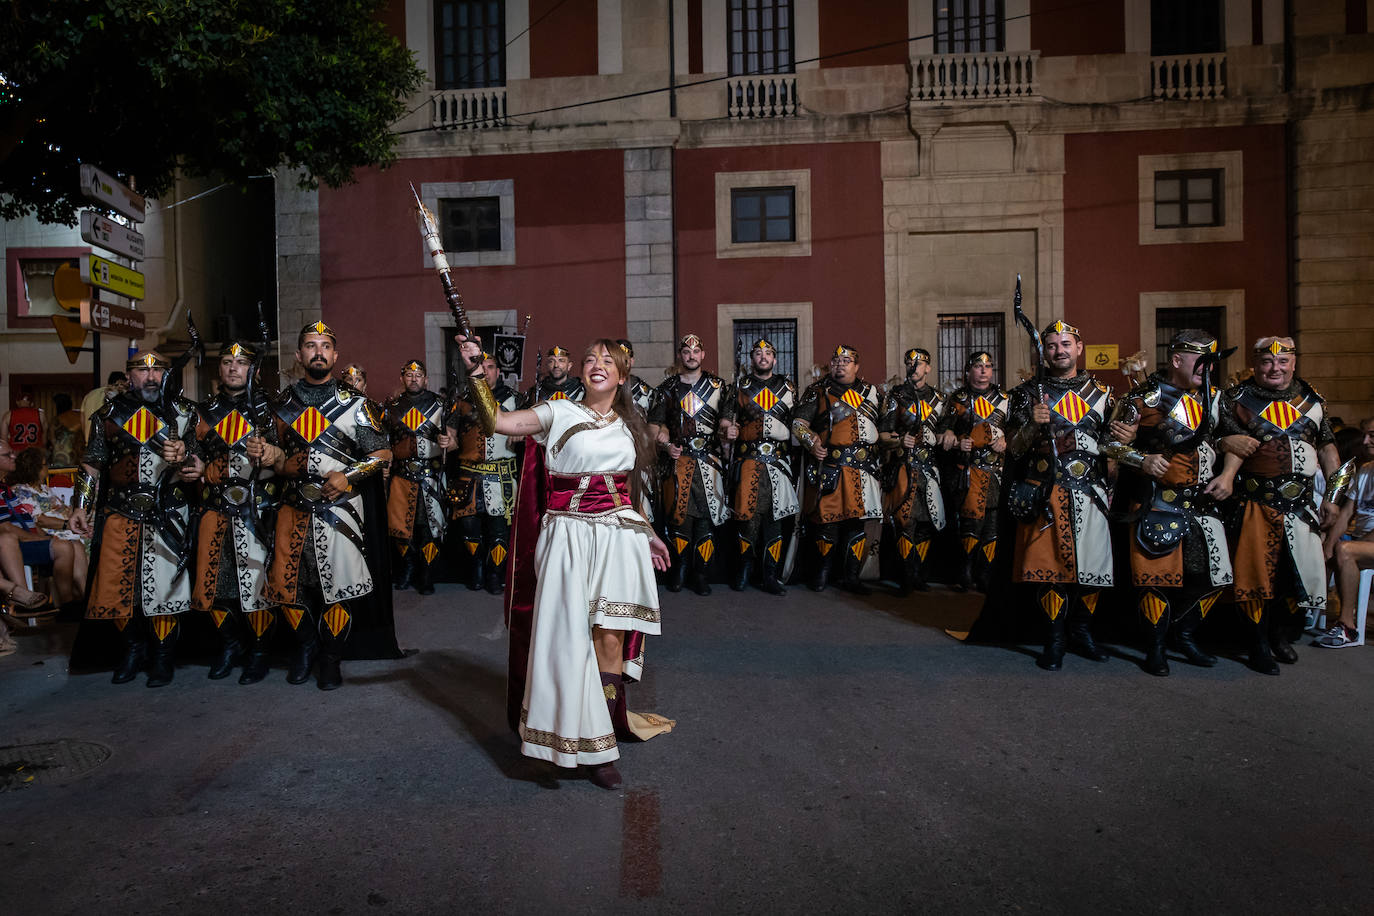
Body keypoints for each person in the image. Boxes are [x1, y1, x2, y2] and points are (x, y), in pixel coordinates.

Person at [457, 333, 671, 790]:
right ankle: (574, 741)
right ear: (582, 370)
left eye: (607, 361)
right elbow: (497, 421)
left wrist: (649, 534)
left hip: (619, 537)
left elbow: (627, 493)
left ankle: (605, 736)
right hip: (568, 535)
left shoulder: (631, 425)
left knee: (610, 638)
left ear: (622, 374)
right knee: (569, 639)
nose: (597, 364)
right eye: (590, 358)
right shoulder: (558, 412)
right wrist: (476, 372)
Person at [259, 321, 396, 690]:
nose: (317, 352)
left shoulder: (357, 405)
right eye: (310, 345)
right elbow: (274, 460)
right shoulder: (280, 406)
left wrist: (348, 476)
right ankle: (306, 647)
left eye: (325, 346)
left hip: (341, 510)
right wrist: (273, 458)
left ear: (335, 356)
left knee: (337, 588)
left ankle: (331, 657)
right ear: (299, 354)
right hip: (292, 507)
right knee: (287, 586)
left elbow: (382, 456)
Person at [1103, 330, 1236, 676]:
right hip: (1157, 502)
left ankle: (1186, 634)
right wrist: (1141, 460)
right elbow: (1109, 445)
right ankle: (1156, 646)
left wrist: (1229, 475)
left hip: (1203, 504)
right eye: (1201, 361)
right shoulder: (1143, 397)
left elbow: (1233, 441)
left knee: (1215, 578)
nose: (1207, 369)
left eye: (1211, 362)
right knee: (1155, 580)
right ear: (1177, 360)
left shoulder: (1216, 398)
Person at [68, 351, 196, 687]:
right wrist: (80, 506)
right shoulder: (109, 413)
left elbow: (198, 463)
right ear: (129, 375)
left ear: (169, 376)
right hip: (120, 510)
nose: (151, 377)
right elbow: (92, 463)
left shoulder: (185, 413)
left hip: (169, 510)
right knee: (116, 588)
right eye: (143, 370)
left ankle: (163, 656)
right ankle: (133, 650)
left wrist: (185, 458)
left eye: (158, 371)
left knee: (165, 589)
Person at [1216, 336, 1341, 673]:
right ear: (1255, 364)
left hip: (1302, 505)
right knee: (1256, 577)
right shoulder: (1236, 398)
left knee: (1294, 576)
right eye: (1267, 362)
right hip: (1258, 501)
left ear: (1294, 363)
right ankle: (1257, 645)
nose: (1275, 368)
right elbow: (1224, 444)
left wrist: (1332, 496)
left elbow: (1328, 448)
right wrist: (1225, 451)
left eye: (1283, 361)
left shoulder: (1311, 398)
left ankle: (1279, 635)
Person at [1004, 320, 1117, 671]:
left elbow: (1113, 447)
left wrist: (1122, 456)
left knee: (1092, 569)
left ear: (1079, 348)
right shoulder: (1027, 393)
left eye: (1066, 344)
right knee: (1050, 570)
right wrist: (1031, 425)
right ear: (1045, 351)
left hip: (1092, 491)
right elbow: (1015, 449)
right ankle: (1054, 639)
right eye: (1052, 345)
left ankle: (1081, 633)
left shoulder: (1103, 392)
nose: (1059, 351)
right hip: (1046, 491)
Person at [184, 341, 282, 683]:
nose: (233, 368)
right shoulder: (202, 411)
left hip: (260, 509)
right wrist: (191, 465)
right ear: (219, 368)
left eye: (241, 362)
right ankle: (230, 644)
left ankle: (259, 651)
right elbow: (191, 454)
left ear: (252, 369)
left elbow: (289, 455)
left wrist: (272, 453)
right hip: (215, 506)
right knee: (216, 584)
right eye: (227, 362)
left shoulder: (273, 409)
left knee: (257, 585)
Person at [791, 344, 885, 594]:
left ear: (857, 366)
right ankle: (822, 574)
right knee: (826, 523)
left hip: (863, 467)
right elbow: (798, 424)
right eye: (836, 360)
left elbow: (884, 427)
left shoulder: (871, 392)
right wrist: (812, 443)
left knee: (856, 524)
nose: (840, 364)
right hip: (831, 466)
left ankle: (851, 577)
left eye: (846, 361)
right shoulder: (818, 391)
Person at [648, 333, 730, 595]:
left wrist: (729, 430)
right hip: (679, 462)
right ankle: (680, 569)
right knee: (678, 520)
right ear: (680, 356)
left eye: (696, 351)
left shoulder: (719, 386)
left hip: (710, 461)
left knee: (706, 520)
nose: (691, 356)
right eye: (686, 352)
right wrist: (664, 443)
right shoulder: (667, 388)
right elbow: (654, 427)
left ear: (703, 355)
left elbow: (726, 420)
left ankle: (701, 574)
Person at [719, 337, 799, 595]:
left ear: (775, 359)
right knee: (747, 519)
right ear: (752, 359)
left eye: (768, 353)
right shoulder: (740, 386)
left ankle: (770, 575)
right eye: (758, 353)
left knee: (775, 520)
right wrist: (728, 429)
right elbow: (724, 420)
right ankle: (744, 570)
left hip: (778, 462)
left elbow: (797, 423)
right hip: (748, 460)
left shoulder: (787, 388)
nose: (763, 357)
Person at [447, 351, 520, 594]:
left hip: (501, 478)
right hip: (469, 477)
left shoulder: (513, 399)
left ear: (498, 372)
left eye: (490, 367)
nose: (486, 371)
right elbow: (452, 437)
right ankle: (477, 569)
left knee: (500, 531)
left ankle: (495, 574)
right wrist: (447, 442)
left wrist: (521, 436)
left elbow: (529, 431)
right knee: (470, 529)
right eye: (482, 367)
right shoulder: (462, 401)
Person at [937, 351, 1010, 592]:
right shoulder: (957, 398)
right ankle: (965, 572)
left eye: (988, 366)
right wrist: (957, 440)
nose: (983, 371)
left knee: (992, 527)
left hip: (996, 471)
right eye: (978, 366)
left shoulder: (1004, 399)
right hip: (968, 471)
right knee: (970, 525)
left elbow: (1017, 433)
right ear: (969, 370)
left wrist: (1006, 441)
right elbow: (943, 432)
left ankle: (986, 574)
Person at [382, 359, 454, 595]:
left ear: (426, 379)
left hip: (431, 476)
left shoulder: (440, 404)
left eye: (419, 374)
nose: (414, 378)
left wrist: (449, 442)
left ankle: (426, 573)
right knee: (401, 529)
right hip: (401, 476)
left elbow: (454, 441)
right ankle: (408, 568)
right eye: (409, 375)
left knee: (429, 528)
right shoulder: (391, 406)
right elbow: (385, 441)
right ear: (402, 378)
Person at [879, 347, 946, 594]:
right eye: (909, 362)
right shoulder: (897, 395)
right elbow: (882, 433)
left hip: (930, 468)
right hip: (903, 467)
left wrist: (946, 435)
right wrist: (899, 440)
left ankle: (918, 573)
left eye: (919, 363)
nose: (913, 366)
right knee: (904, 522)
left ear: (928, 368)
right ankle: (906, 576)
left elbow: (946, 430)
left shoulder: (940, 399)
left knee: (927, 524)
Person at [1, 447, 87, 609]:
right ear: (34, 468)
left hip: (57, 532)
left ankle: (85, 597)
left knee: (78, 544)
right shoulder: (21, 490)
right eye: (44, 464)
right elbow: (36, 521)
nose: (47, 467)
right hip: (36, 536)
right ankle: (68, 602)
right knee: (69, 544)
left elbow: (61, 512)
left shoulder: (43, 489)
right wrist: (63, 528)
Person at [1317, 418, 1374, 648]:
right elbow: (1346, 514)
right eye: (1365, 435)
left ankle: (1347, 626)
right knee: (1322, 544)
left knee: (1346, 550)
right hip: (1363, 540)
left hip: (1366, 542)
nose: (1366, 441)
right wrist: (1327, 545)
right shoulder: (1366, 470)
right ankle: (1305, 614)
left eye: (1372, 435)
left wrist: (1340, 546)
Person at [616, 339, 655, 414]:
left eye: (625, 359)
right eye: (617, 359)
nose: (621, 363)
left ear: (632, 361)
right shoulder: (602, 386)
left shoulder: (640, 388)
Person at [48, 393, 85, 469]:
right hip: (80, 455)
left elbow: (52, 439)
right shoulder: (80, 416)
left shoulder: (55, 421)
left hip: (61, 458)